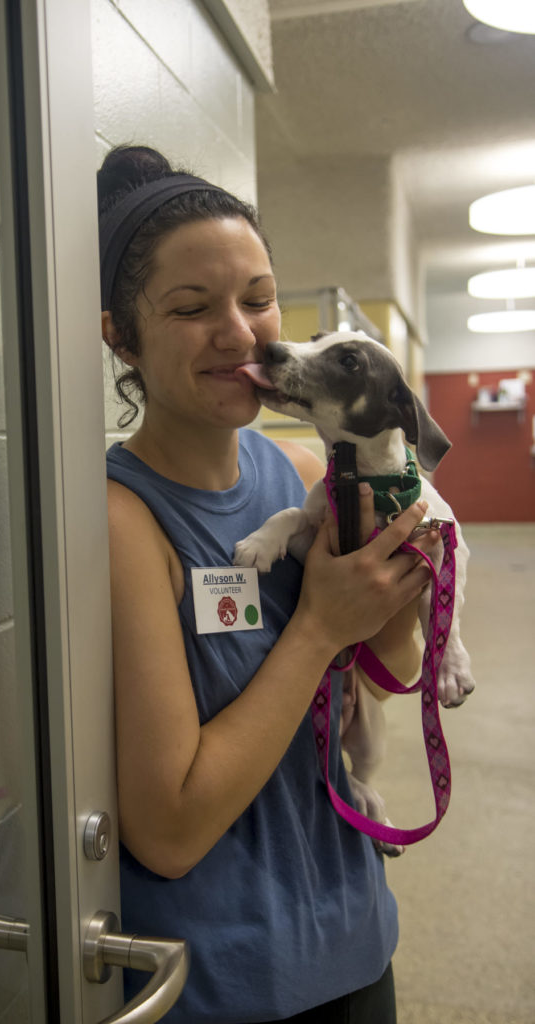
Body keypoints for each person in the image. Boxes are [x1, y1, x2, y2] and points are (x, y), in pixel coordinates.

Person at [99, 144, 435, 1024]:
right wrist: (320, 625)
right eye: (190, 308)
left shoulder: (304, 471)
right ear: (118, 335)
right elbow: (169, 831)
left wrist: (397, 570)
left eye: (256, 299)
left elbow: (394, 667)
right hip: (223, 982)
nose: (243, 336)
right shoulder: (119, 519)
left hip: (357, 940)